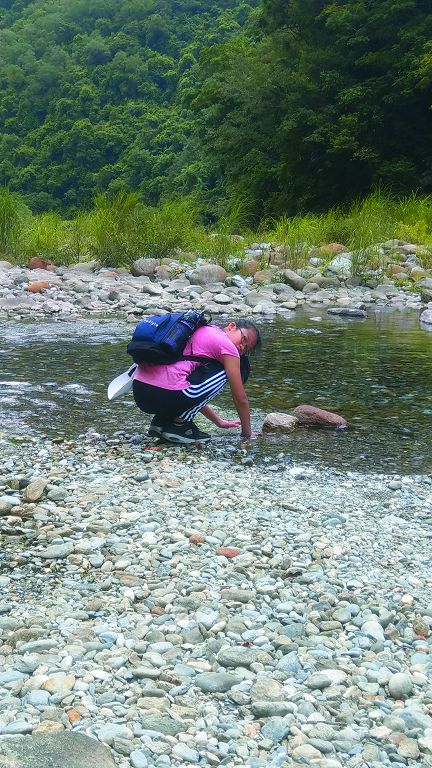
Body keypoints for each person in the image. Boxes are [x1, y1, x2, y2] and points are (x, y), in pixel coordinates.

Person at [132, 319, 261, 444]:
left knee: (182, 377)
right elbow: (240, 399)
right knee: (225, 370)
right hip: (165, 394)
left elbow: (191, 394)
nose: (241, 347)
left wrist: (219, 422)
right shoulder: (227, 346)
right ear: (232, 326)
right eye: (244, 339)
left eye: (246, 349)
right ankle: (179, 427)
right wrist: (246, 433)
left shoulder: (201, 329)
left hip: (140, 391)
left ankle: (161, 422)